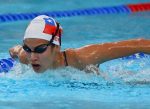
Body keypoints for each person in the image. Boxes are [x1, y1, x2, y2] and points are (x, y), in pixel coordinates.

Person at [9, 15, 150, 74]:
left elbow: (139, 44)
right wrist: (16, 51)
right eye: (28, 48)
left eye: (40, 49)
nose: (32, 57)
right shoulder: (25, 56)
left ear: (56, 47)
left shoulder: (83, 57)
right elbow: (14, 50)